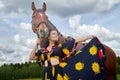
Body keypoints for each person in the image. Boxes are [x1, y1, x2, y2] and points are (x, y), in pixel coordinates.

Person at [29, 29, 94, 80]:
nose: (56, 35)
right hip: (46, 73)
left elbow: (75, 41)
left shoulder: (60, 47)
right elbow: (31, 57)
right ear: (48, 37)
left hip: (58, 71)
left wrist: (89, 36)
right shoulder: (42, 50)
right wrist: (36, 44)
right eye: (54, 34)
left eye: (57, 34)